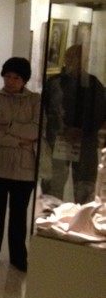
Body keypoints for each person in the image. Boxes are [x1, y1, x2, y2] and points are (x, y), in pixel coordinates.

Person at [0, 57, 40, 271]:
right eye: (8, 76)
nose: (11, 81)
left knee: (19, 214)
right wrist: (20, 141)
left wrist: (10, 126)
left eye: (16, 78)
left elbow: (36, 130)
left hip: (24, 167)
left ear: (24, 80)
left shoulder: (35, 101)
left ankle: (18, 256)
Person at [42, 44, 106, 203]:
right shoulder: (54, 82)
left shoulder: (94, 84)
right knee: (53, 184)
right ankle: (51, 213)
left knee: (84, 184)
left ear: (85, 60)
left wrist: (84, 131)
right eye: (69, 57)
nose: (72, 61)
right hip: (59, 141)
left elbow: (100, 112)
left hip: (85, 142)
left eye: (77, 58)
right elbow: (48, 111)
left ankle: (82, 215)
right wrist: (64, 130)